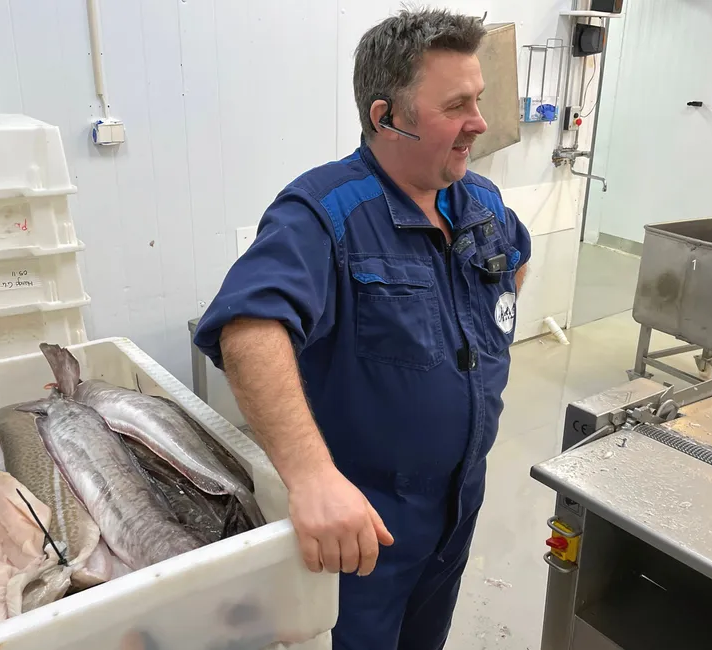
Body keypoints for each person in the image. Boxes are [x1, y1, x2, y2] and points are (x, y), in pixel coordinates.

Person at [194, 8, 531, 650]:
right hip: (367, 523)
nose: (479, 123)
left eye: (479, 99)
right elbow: (248, 330)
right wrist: (313, 478)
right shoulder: (326, 214)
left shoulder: (480, 202)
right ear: (386, 117)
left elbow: (515, 260)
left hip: (460, 500)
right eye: (456, 105)